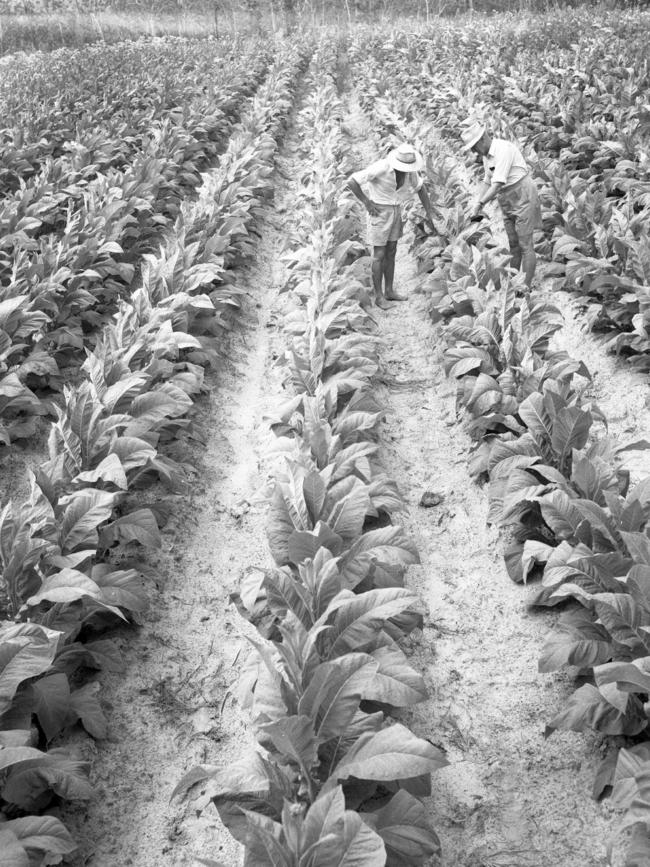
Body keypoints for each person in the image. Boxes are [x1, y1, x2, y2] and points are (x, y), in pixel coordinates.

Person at [347, 143, 434, 309]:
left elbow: (420, 188)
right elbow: (352, 181)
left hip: (395, 210)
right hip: (379, 212)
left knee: (392, 250)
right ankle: (379, 297)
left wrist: (429, 212)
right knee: (379, 253)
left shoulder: (409, 172)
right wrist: (366, 202)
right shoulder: (381, 167)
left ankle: (389, 291)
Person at [461, 121, 542, 289]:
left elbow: (497, 184)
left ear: (483, 138)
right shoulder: (486, 156)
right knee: (513, 243)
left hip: (522, 195)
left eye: (474, 147)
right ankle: (512, 282)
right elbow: (487, 180)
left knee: (525, 244)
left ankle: (525, 287)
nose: (474, 152)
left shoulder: (503, 149)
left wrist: (481, 203)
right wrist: (477, 201)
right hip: (506, 198)